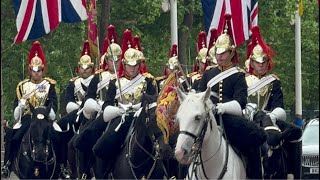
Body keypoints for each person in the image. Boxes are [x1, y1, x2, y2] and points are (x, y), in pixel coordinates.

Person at [198, 14, 267, 179]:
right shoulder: (208, 74)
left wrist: (222, 107)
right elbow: (199, 96)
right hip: (208, 118)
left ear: (231, 52)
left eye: (223, 53)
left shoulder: (237, 75)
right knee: (184, 142)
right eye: (218, 52)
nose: (220, 56)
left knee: (254, 140)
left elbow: (241, 102)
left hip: (230, 120)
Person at [91, 29, 158, 170]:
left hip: (143, 118)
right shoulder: (115, 82)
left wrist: (138, 107)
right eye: (129, 65)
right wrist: (119, 110)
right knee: (101, 147)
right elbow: (107, 104)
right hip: (122, 117)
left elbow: (153, 101)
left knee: (164, 143)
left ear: (140, 65)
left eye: (135, 65)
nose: (132, 69)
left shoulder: (148, 80)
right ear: (124, 64)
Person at [244, 26, 302, 179]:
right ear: (252, 62)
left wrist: (273, 116)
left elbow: (278, 104)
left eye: (264, 62)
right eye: (258, 62)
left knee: (295, 132)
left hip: (270, 119)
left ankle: (292, 172)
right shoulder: (243, 80)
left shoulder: (274, 81)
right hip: (250, 118)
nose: (261, 65)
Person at [1, 41, 58, 178]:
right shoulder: (22, 86)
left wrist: (48, 111)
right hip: (27, 118)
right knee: (13, 136)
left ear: (43, 70)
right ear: (30, 69)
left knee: (58, 136)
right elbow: (16, 113)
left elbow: (54, 106)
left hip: (45, 118)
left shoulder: (49, 85)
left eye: (39, 70)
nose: (37, 73)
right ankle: (7, 164)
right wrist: (21, 104)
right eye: (34, 70)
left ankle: (61, 166)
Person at [75, 24, 122, 153]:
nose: (115, 63)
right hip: (101, 112)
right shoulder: (99, 76)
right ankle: (84, 171)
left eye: (117, 60)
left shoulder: (126, 77)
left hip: (123, 113)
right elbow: (89, 95)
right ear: (106, 60)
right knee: (83, 138)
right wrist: (96, 105)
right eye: (112, 60)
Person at [55, 40, 95, 178]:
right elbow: (68, 101)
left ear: (92, 68)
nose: (84, 70)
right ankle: (61, 164)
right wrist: (77, 107)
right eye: (82, 67)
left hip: (92, 113)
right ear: (78, 68)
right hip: (76, 112)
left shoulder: (97, 80)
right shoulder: (73, 83)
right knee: (58, 128)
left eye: (87, 67)